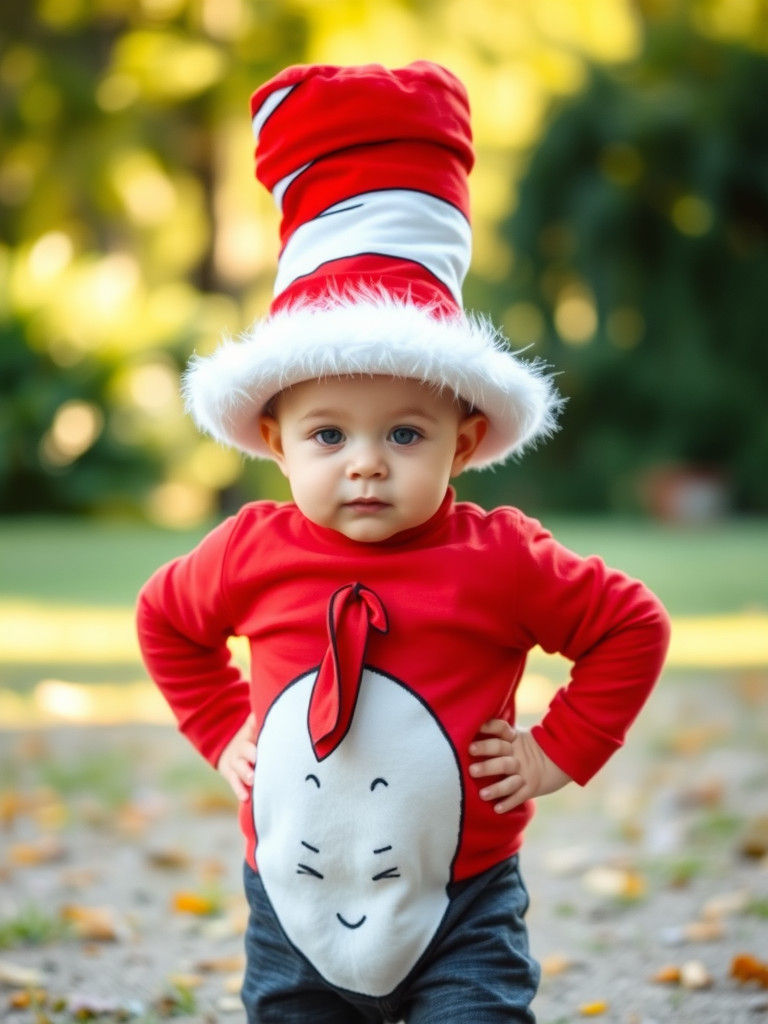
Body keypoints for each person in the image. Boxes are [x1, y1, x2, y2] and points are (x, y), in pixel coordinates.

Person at [136, 61, 671, 1023]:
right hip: (294, 905)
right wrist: (220, 731)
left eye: (406, 435)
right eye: (329, 435)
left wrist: (557, 753)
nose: (367, 465)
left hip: (462, 902)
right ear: (274, 439)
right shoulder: (250, 553)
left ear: (465, 439)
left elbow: (630, 624)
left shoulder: (497, 558)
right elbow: (166, 621)